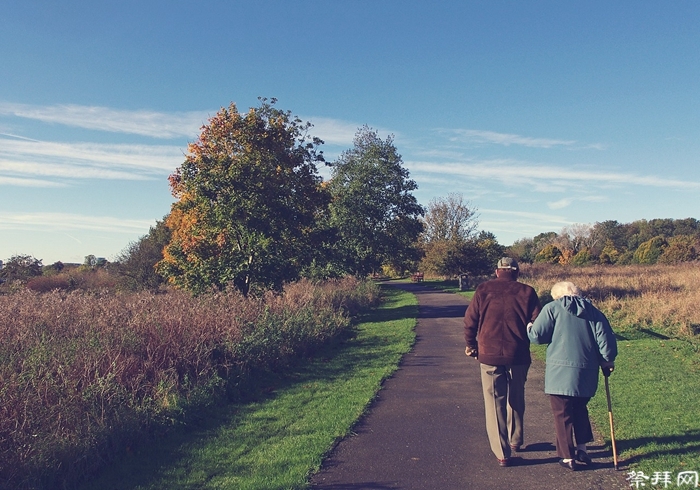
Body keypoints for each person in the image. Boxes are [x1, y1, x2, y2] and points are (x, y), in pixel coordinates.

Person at [528, 281, 617, 471]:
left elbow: (537, 336)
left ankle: (567, 456)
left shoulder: (552, 308)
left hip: (559, 372)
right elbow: (605, 341)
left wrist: (529, 327)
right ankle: (582, 448)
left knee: (562, 413)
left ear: (557, 296)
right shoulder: (594, 311)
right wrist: (607, 361)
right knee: (580, 408)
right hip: (587, 371)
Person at [464, 257, 542, 467]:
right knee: (516, 396)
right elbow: (538, 322)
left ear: (497, 271)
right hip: (518, 353)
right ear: (516, 272)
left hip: (489, 353)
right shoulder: (528, 292)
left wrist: (471, 344)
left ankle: (502, 452)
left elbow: (470, 320)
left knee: (494, 402)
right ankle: (515, 439)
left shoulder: (483, 289)